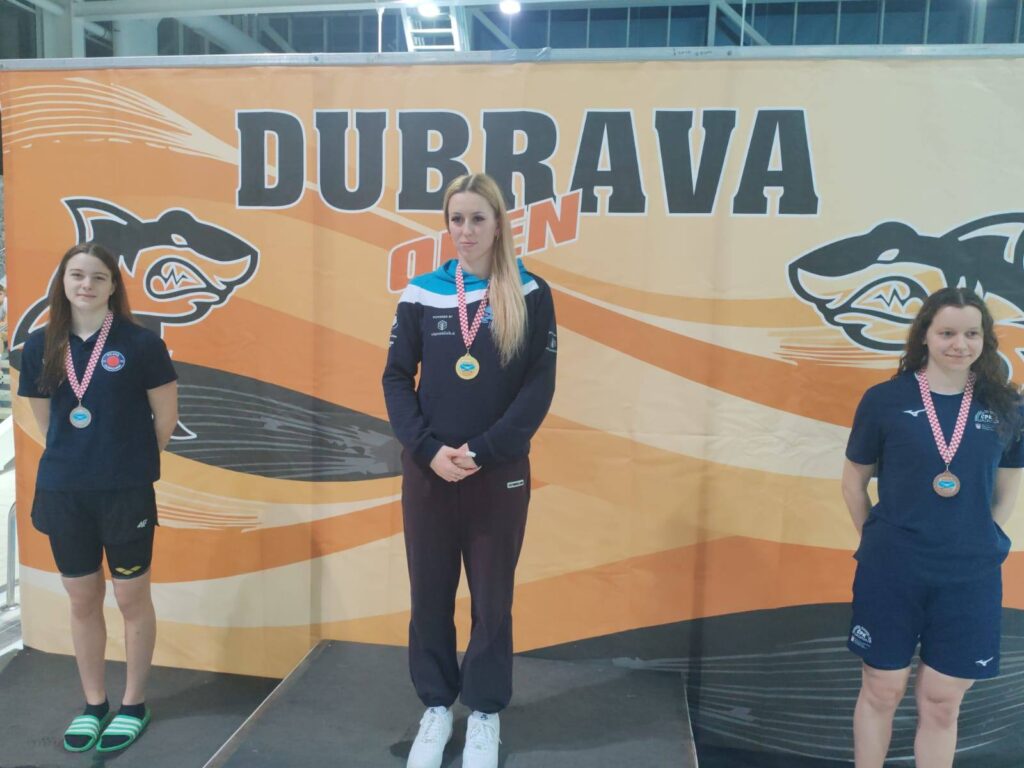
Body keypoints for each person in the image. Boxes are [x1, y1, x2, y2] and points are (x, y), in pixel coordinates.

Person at [382, 173, 557, 768]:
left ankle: (484, 712)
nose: (466, 230)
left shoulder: (529, 292)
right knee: (429, 594)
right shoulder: (422, 293)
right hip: (429, 473)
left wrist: (482, 450)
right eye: (456, 219)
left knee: (492, 598)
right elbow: (395, 378)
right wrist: (428, 450)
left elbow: (537, 388)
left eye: (477, 218)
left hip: (497, 474)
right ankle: (436, 707)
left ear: (498, 223)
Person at [841, 286, 1024, 768]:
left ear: (984, 339)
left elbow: (1007, 488)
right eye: (947, 333)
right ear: (924, 335)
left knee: (942, 701)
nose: (959, 344)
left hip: (968, 575)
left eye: (971, 334)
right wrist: (877, 540)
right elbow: (854, 481)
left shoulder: (1006, 406)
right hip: (892, 570)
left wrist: (977, 538)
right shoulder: (884, 400)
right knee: (882, 689)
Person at [18, 242, 178, 753]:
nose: (86, 285)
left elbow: (165, 420)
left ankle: (133, 704)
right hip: (65, 492)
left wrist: (122, 461)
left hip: (124, 493)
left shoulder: (142, 344)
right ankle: (93, 704)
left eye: (98, 277)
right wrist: (82, 457)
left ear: (113, 286)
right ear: (62, 283)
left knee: (131, 599)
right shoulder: (40, 345)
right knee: (83, 599)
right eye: (76, 275)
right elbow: (46, 423)